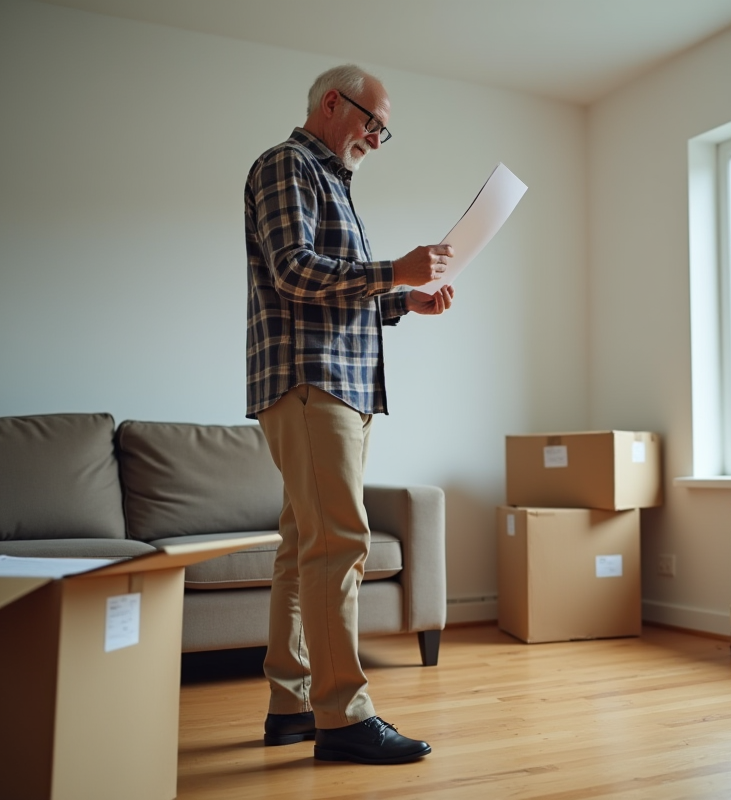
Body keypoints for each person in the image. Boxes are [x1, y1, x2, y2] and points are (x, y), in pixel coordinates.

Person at [243, 63, 454, 765]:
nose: (377, 137)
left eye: (384, 131)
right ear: (332, 104)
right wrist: (394, 270)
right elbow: (295, 272)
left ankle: (293, 705)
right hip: (312, 381)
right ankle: (344, 715)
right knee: (338, 543)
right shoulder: (287, 165)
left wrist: (403, 300)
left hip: (337, 383)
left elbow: (340, 290)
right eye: (374, 122)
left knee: (305, 546)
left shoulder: (332, 181)